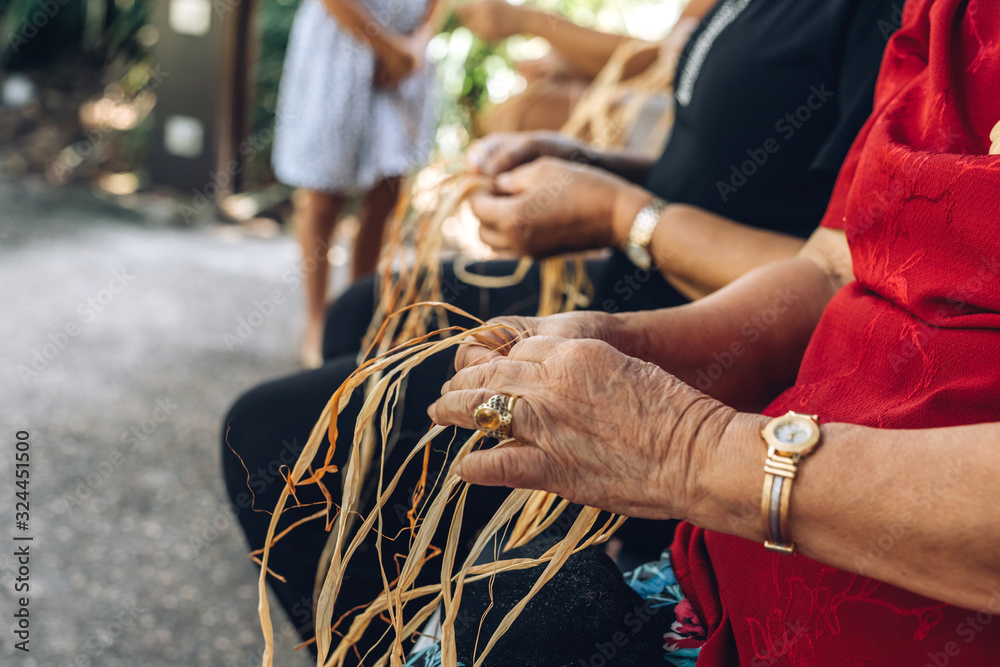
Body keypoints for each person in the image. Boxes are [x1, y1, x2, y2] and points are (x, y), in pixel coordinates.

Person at [222, 0, 903, 654]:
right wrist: (588, 168)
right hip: (636, 278)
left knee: (271, 433)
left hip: (710, 331)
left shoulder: (889, 20)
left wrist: (623, 218)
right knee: (362, 312)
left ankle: (438, 624)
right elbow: (710, 169)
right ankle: (430, 621)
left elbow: (841, 273)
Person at [421, 0, 1000, 663]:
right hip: (723, 590)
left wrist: (694, 452)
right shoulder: (942, 14)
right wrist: (623, 342)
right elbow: (831, 268)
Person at [271, 0, 444, 367]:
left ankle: (357, 314)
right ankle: (316, 322)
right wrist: (388, 47)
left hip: (405, 56)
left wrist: (415, 46)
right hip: (342, 47)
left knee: (388, 189)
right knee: (324, 194)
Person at [455, 0, 716, 134]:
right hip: (686, 107)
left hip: (701, 124)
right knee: (520, 107)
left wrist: (524, 20)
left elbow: (659, 65)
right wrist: (568, 63)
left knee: (524, 115)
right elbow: (666, 60)